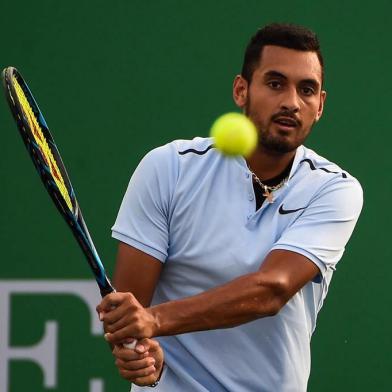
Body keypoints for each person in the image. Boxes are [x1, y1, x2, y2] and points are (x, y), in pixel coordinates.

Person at [97, 23, 363, 391]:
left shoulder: (335, 190)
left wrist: (153, 321)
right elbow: (131, 312)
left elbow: (273, 289)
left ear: (320, 106)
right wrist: (142, 351)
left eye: (307, 90)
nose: (291, 101)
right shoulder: (169, 168)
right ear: (242, 90)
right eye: (275, 83)